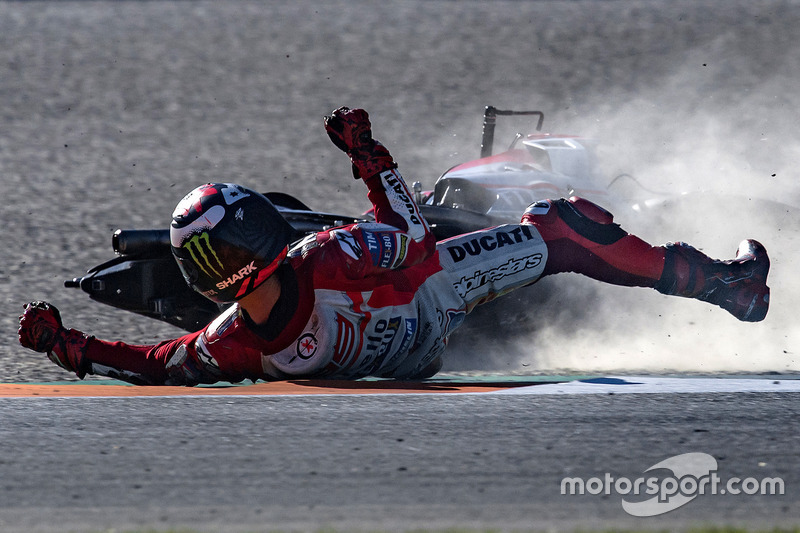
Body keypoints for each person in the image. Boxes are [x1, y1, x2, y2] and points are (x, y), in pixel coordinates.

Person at [18, 107, 771, 385]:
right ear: (258, 230)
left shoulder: (236, 342)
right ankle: (727, 286)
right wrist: (371, 157)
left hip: (416, 359)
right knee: (568, 223)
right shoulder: (327, 256)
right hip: (439, 292)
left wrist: (67, 346)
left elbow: (156, 363)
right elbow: (410, 232)